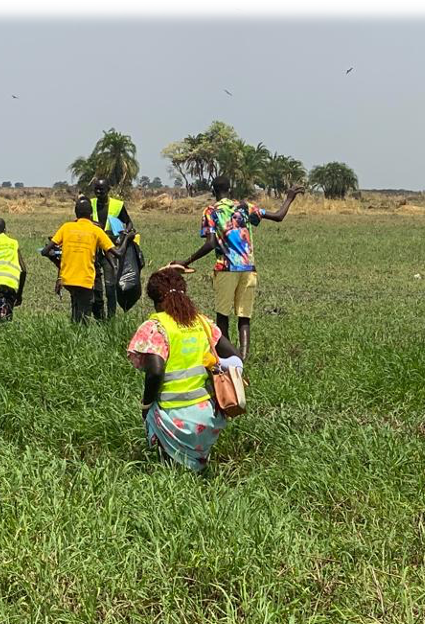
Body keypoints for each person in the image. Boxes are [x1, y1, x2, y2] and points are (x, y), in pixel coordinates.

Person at [171, 175, 303, 361]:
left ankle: (227, 359)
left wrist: (186, 262)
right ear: (230, 189)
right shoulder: (245, 207)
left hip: (225, 268)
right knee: (244, 316)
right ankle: (243, 358)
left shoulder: (211, 211)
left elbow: (210, 244)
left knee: (222, 315)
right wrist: (289, 198)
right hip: (248, 268)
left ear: (213, 190)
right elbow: (278, 216)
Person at [127, 268, 243, 473]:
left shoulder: (155, 327)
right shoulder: (203, 323)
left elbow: (155, 371)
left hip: (175, 416)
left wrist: (146, 405)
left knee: (151, 412)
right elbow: (236, 357)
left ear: (155, 300)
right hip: (208, 416)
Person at [42, 198, 117, 324]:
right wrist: (128, 238)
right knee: (84, 317)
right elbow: (117, 253)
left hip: (68, 279)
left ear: (75, 212)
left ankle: (74, 333)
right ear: (91, 213)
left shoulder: (66, 227)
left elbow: (45, 251)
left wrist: (59, 261)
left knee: (76, 309)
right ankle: (80, 338)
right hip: (85, 280)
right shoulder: (96, 230)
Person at [89, 178, 135, 320]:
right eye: (96, 189)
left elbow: (129, 223)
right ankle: (99, 317)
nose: (98, 192)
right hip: (93, 249)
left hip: (111, 249)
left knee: (110, 286)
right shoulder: (90, 204)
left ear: (108, 190)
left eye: (101, 189)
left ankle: (111, 318)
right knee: (95, 285)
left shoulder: (117, 205)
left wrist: (125, 233)